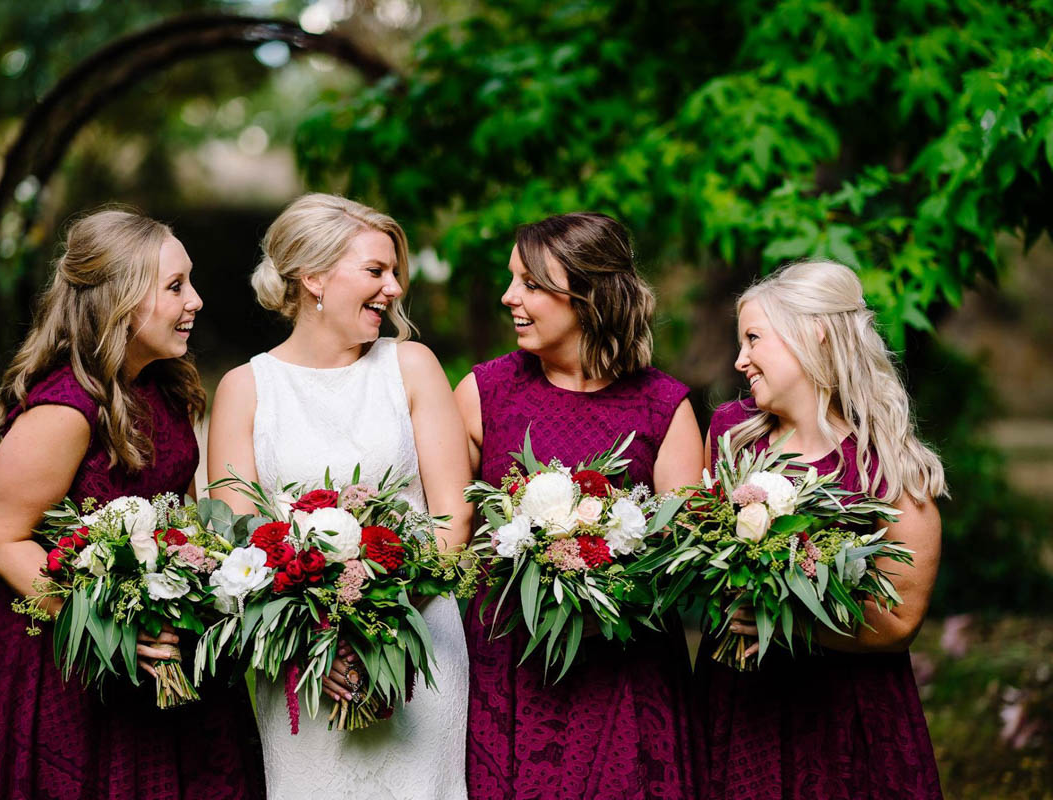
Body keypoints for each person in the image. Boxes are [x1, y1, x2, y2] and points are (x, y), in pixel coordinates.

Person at [0, 208, 264, 800]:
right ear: (118, 301)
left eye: (191, 282)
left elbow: (186, 524)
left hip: (170, 652)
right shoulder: (66, 411)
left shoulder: (167, 390)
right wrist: (108, 626)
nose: (196, 300)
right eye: (175, 287)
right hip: (72, 667)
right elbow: (1, 535)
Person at [207, 193, 473, 799]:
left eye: (395, 271)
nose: (396, 288)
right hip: (301, 664)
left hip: (418, 645)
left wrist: (378, 629)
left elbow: (451, 520)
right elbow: (238, 542)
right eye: (376, 271)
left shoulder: (412, 366)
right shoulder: (246, 389)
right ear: (314, 277)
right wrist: (320, 643)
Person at [454, 212, 704, 799]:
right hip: (509, 668)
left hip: (626, 675)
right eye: (513, 279)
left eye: (531, 284)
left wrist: (609, 592)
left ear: (589, 295)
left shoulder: (664, 407)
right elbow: (448, 532)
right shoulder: (483, 394)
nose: (508, 296)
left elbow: (686, 559)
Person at [696, 259, 944, 799]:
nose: (740, 360)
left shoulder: (887, 461)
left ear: (812, 334)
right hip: (741, 708)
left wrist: (788, 621)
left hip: (846, 718)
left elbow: (900, 620)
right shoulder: (731, 437)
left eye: (753, 339)